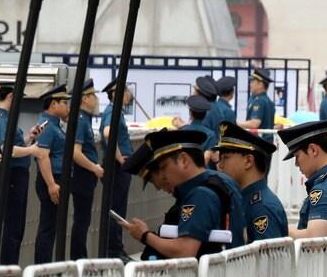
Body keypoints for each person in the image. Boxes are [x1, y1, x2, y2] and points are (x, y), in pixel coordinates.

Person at [115, 127, 246, 257]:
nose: (163, 175)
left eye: (164, 167)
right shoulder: (209, 185)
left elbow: (185, 251)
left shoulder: (201, 195)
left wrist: (145, 235)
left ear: (183, 160)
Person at [0, 83, 39, 265]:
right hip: (12, 175)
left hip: (17, 175)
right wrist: (32, 150)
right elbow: (6, 149)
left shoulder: (6, 118)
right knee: (12, 228)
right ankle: (8, 268)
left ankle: (11, 266)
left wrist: (28, 138)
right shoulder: (1, 120)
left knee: (16, 226)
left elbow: (14, 144)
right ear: (11, 97)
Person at [281, 120, 327, 237]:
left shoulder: (324, 189)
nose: (296, 164)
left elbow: (314, 238)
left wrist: (280, 229)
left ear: (313, 150)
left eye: (297, 156)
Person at [215, 121, 287, 241]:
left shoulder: (262, 208)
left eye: (225, 158)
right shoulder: (241, 198)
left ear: (248, 161)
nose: (220, 165)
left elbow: (268, 258)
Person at [33, 85, 72, 264]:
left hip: (58, 178)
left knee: (54, 225)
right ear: (53, 104)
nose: (67, 107)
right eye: (64, 103)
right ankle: (43, 266)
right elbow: (42, 156)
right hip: (52, 179)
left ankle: (49, 264)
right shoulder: (47, 126)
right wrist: (51, 184)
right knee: (48, 226)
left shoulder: (56, 125)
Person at [67, 79, 105, 260]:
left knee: (84, 219)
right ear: (84, 98)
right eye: (93, 95)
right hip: (82, 174)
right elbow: (76, 153)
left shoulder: (84, 119)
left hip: (86, 174)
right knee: (81, 220)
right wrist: (94, 168)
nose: (96, 99)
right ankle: (78, 258)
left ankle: (80, 256)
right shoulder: (81, 121)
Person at [101, 79, 135, 258]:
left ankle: (116, 248)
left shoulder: (117, 112)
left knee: (119, 208)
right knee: (115, 208)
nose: (129, 95)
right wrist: (120, 158)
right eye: (127, 91)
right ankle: (113, 250)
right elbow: (108, 133)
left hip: (120, 165)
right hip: (116, 166)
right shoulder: (112, 111)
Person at [243, 69, 276, 137]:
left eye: (252, 81)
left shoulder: (259, 101)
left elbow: (254, 124)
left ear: (260, 84)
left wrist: (235, 123)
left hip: (258, 143)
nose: (250, 84)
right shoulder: (267, 101)